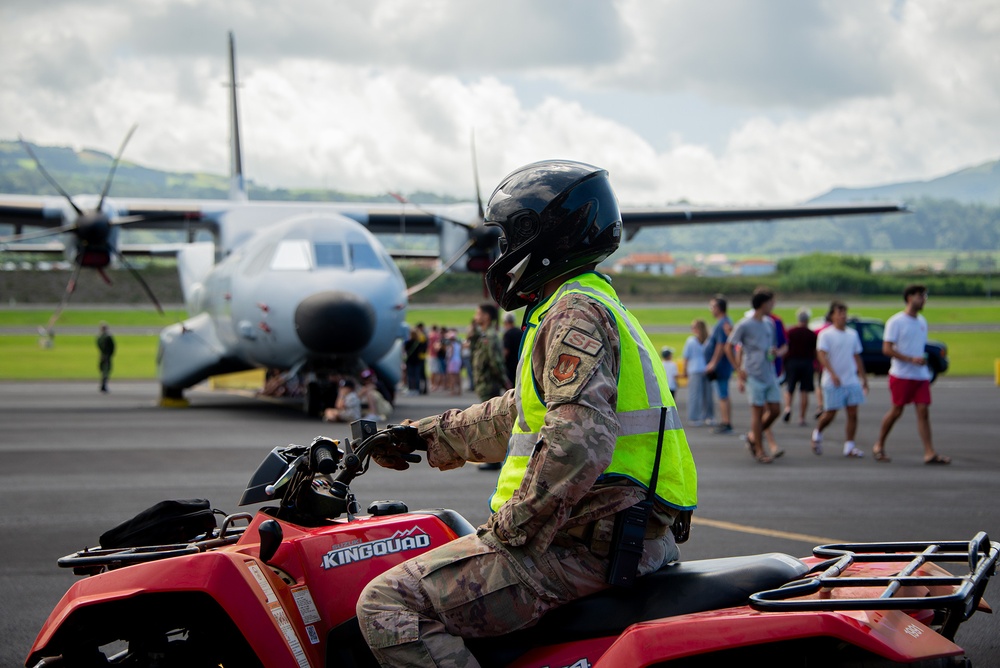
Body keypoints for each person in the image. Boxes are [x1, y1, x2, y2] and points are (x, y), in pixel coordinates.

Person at [356, 160, 697, 667]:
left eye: (507, 236)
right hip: (611, 531)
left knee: (388, 602)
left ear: (541, 237)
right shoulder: (586, 301)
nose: (501, 252)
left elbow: (578, 439)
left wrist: (511, 531)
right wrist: (419, 437)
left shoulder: (572, 313)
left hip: (583, 542)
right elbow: (517, 416)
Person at [871, 285, 950, 464]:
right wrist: (909, 359)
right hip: (901, 374)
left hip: (920, 375)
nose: (923, 300)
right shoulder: (896, 322)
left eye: (925, 296)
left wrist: (919, 360)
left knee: (923, 411)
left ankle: (929, 452)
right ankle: (879, 444)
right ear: (909, 298)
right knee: (897, 410)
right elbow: (886, 349)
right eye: (920, 296)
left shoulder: (922, 321)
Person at [725, 289, 787, 463]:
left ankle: (753, 436)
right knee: (757, 414)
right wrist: (738, 369)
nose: (773, 305)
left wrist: (774, 352)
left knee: (775, 410)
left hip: (769, 372)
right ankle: (760, 450)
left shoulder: (769, 323)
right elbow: (729, 346)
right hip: (753, 374)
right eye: (771, 302)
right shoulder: (744, 324)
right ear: (762, 303)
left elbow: (772, 345)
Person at [812, 301, 868, 457]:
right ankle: (818, 433)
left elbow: (857, 356)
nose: (843, 316)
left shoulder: (852, 334)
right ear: (832, 316)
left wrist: (863, 378)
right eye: (839, 313)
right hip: (833, 381)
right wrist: (832, 373)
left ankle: (849, 446)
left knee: (853, 413)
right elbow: (821, 355)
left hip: (851, 379)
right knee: (831, 413)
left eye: (844, 313)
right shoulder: (826, 334)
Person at [704, 295, 734, 434]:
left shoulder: (723, 323)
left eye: (712, 307)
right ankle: (725, 420)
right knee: (722, 393)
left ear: (718, 308)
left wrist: (713, 363)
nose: (711, 310)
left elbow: (721, 345)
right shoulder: (724, 322)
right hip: (722, 365)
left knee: (722, 394)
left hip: (721, 366)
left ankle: (726, 422)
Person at [782, 308, 817, 426]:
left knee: (790, 388)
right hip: (806, 363)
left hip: (792, 362)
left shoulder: (791, 332)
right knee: (804, 390)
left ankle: (787, 408)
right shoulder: (811, 334)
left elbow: (785, 348)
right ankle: (801, 417)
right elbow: (815, 351)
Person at [681, 319, 713, 425]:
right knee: (707, 395)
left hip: (695, 369)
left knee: (695, 395)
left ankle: (695, 417)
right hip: (706, 369)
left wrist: (684, 370)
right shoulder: (709, 340)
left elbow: (686, 357)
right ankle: (708, 416)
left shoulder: (691, 341)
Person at [404, 323, 428, 395]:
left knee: (411, 376)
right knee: (417, 375)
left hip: (410, 361)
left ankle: (411, 389)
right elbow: (423, 350)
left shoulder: (407, 342)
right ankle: (417, 389)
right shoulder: (420, 342)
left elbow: (405, 350)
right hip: (418, 360)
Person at [501, 312, 522, 385]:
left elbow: (506, 352)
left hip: (510, 367)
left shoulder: (507, 334)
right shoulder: (520, 332)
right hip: (520, 363)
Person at [96, 322, 115, 393]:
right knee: (106, 371)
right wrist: (110, 354)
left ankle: (103, 385)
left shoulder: (99, 337)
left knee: (103, 370)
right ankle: (104, 385)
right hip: (107, 355)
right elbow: (112, 347)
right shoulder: (108, 337)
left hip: (102, 355)